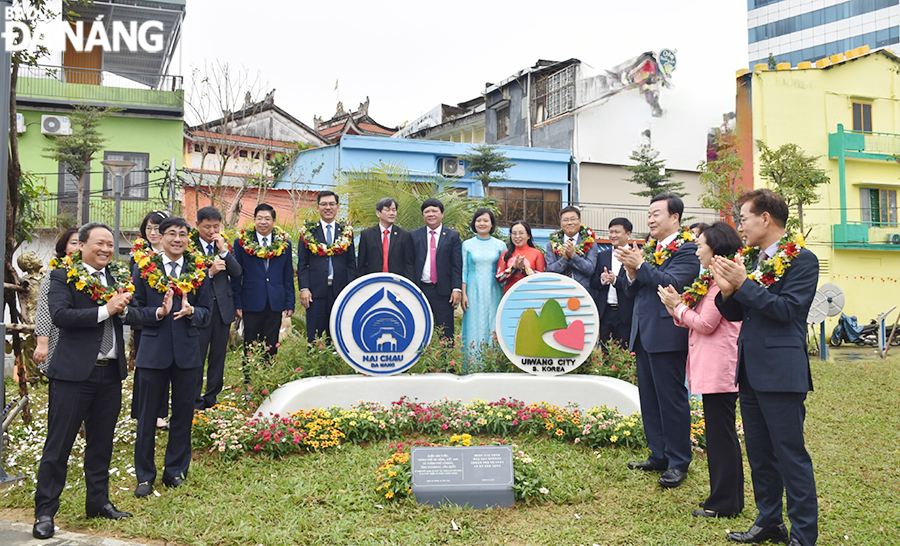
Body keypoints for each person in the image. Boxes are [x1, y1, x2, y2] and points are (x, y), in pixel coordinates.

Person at [712, 189, 818, 546]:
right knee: (758, 453)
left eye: (743, 218)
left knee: (790, 455)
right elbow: (735, 314)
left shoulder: (803, 260)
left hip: (781, 372)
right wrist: (728, 291)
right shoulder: (753, 261)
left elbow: (787, 310)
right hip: (750, 369)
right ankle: (769, 520)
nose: (739, 226)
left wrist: (743, 284)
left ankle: (803, 535)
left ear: (765, 219)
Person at [33, 223, 135, 539]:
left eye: (110, 244)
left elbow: (127, 314)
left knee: (102, 443)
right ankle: (45, 513)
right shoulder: (62, 276)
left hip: (110, 372)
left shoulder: (117, 278)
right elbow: (61, 316)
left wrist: (159, 312)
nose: (106, 249)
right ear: (82, 245)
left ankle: (98, 503)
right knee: (58, 444)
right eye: (99, 243)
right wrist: (106, 309)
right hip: (73, 373)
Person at [657, 221, 744, 518]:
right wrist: (677, 307)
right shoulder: (712, 278)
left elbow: (707, 323)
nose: (696, 252)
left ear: (715, 248)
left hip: (720, 367)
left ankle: (724, 503)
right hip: (712, 366)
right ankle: (724, 499)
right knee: (720, 436)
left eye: (700, 246)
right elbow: (696, 318)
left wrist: (677, 306)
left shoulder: (722, 280)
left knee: (722, 438)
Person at [616, 192, 699, 489]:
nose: (650, 219)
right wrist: (629, 272)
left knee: (672, 400)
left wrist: (640, 266)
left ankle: (678, 461)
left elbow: (674, 283)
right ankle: (658, 454)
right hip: (644, 331)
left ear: (675, 217)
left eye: (656, 214)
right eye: (649, 214)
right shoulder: (650, 249)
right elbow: (631, 290)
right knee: (649, 398)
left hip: (668, 332)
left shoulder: (687, 250)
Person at [131, 216, 211, 498]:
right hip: (153, 352)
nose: (177, 239)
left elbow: (207, 312)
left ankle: (175, 470)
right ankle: (144, 476)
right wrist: (157, 313)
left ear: (188, 240)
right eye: (172, 234)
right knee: (147, 416)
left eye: (183, 235)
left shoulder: (198, 269)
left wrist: (192, 312)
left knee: (183, 414)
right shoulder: (143, 269)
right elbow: (132, 311)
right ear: (160, 237)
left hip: (188, 353)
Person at [232, 203, 295, 370]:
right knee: (250, 345)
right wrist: (237, 303)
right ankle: (249, 385)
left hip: (275, 302)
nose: (263, 222)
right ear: (254, 220)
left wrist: (289, 303)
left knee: (271, 345)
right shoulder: (241, 244)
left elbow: (288, 275)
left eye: (267, 218)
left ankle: (268, 380)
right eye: (259, 218)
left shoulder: (284, 244)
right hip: (251, 302)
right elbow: (236, 275)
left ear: (274, 221)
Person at [193, 206, 241, 410]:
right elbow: (187, 278)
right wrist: (209, 273)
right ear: (197, 226)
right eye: (207, 227)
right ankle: (194, 400)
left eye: (216, 226)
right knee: (197, 357)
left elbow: (237, 272)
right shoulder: (188, 247)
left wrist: (223, 251)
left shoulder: (222, 246)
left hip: (222, 310)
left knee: (218, 357)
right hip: (199, 310)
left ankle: (211, 398)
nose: (212, 231)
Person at [296, 191, 356, 343]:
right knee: (315, 336)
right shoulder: (308, 231)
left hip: (340, 291)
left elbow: (351, 264)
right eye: (323, 204)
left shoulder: (346, 232)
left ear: (337, 207)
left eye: (331, 204)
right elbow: (302, 264)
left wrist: (350, 290)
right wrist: (304, 288)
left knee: (338, 335)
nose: (327, 207)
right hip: (315, 293)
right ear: (318, 207)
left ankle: (336, 366)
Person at [130, 210, 170, 430]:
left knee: (165, 367)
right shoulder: (138, 256)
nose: (153, 233)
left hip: (171, 319)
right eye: (149, 229)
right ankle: (142, 411)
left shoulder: (176, 253)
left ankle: (160, 412)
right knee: (144, 368)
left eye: (157, 228)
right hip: (145, 319)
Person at [411, 198, 462, 340]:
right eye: (427, 211)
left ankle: (445, 362)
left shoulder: (453, 236)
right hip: (420, 290)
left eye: (434, 211)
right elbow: (409, 262)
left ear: (442, 214)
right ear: (423, 215)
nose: (431, 214)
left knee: (445, 332)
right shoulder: (414, 235)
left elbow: (456, 265)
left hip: (444, 291)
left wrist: (456, 289)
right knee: (418, 329)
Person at [460, 209, 507, 362]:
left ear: (492, 224)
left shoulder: (500, 245)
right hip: (473, 291)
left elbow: (505, 271)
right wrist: (463, 294)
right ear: (474, 223)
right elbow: (464, 270)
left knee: (493, 324)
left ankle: (493, 364)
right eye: (479, 220)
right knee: (474, 324)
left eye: (486, 220)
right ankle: (472, 364)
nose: (482, 223)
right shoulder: (467, 245)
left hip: (494, 291)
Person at [33, 227, 79, 373]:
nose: (78, 247)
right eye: (73, 243)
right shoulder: (56, 271)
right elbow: (44, 308)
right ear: (64, 247)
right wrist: (42, 343)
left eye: (81, 243)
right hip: (59, 335)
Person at [592, 218, 635, 346]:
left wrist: (615, 280)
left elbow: (635, 285)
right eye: (611, 232)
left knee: (624, 352)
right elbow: (593, 282)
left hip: (626, 312)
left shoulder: (634, 256)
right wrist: (601, 280)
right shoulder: (602, 256)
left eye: (617, 232)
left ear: (628, 234)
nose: (613, 235)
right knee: (605, 351)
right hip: (605, 311)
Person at [356, 197, 413, 279]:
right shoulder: (367, 235)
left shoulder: (404, 235)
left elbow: (408, 264)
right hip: (373, 281)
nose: (392, 213)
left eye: (394, 210)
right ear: (378, 213)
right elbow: (361, 264)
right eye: (387, 210)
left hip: (396, 282)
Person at [544, 205, 598, 292]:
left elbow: (590, 269)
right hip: (558, 291)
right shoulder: (551, 244)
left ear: (580, 221)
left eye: (573, 219)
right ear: (561, 223)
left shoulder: (590, 241)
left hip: (582, 291)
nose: (569, 223)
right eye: (565, 220)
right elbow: (550, 271)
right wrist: (565, 259)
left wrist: (573, 256)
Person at [496, 220, 546, 293]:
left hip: (531, 296)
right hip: (510, 296)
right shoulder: (505, 255)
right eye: (514, 233)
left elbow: (542, 279)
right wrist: (513, 268)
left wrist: (523, 269)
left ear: (528, 236)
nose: (517, 236)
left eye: (521, 233)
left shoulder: (537, 254)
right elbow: (499, 279)